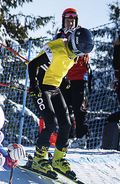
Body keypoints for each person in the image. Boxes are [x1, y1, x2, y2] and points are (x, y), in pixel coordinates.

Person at [28, 27, 94, 178]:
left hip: (54, 88)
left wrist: (64, 81)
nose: (80, 54)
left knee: (67, 124)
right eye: (81, 49)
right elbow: (32, 65)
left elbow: (59, 67)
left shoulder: (73, 55)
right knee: (50, 123)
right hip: (41, 88)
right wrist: (33, 86)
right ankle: (39, 158)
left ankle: (58, 159)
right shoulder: (56, 49)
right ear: (75, 43)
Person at [56, 8, 90, 140]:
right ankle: (67, 135)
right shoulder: (59, 36)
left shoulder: (81, 33)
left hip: (78, 77)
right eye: (67, 20)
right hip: (63, 76)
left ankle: (81, 136)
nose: (70, 23)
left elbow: (85, 53)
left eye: (72, 20)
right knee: (64, 107)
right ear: (63, 21)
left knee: (79, 107)